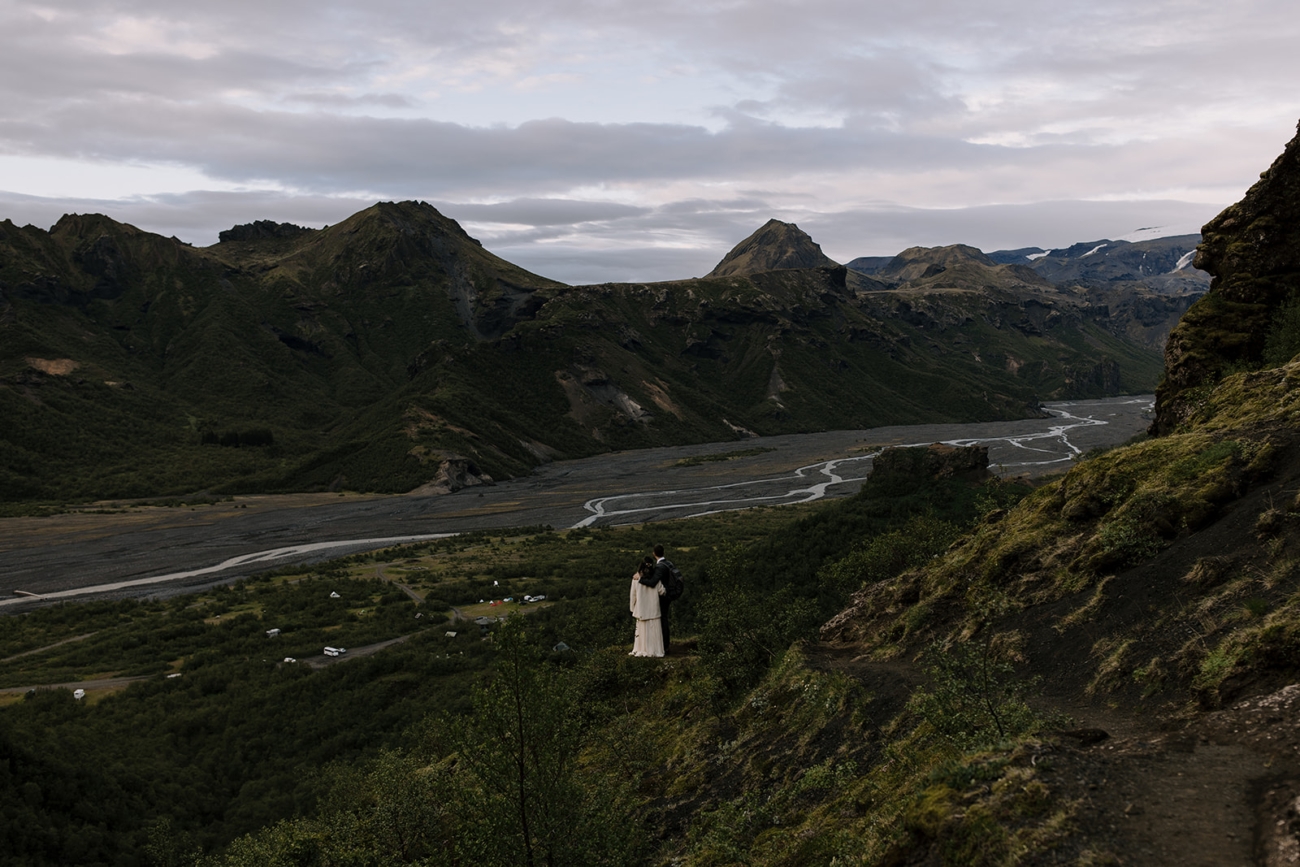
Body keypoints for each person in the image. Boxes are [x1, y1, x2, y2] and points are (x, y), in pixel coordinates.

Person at [639, 544, 674, 654]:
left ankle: (664, 645)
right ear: (663, 552)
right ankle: (663, 644)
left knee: (662, 619)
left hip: (664, 596)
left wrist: (640, 579)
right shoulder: (668, 563)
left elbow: (653, 582)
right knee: (664, 618)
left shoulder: (660, 567)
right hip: (669, 593)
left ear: (654, 554)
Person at [629, 555, 666, 657]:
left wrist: (633, 608)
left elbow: (633, 595)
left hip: (641, 609)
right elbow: (662, 591)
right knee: (654, 631)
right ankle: (654, 650)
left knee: (642, 631)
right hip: (654, 609)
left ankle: (642, 649)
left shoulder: (636, 579)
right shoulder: (655, 579)